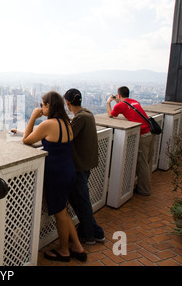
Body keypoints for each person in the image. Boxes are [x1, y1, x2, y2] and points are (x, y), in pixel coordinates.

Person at [22, 91, 87, 262]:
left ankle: (64, 251)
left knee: (60, 214)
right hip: (69, 172)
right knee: (63, 212)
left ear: (49, 106)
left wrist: (33, 118)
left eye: (42, 105)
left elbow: (26, 140)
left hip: (56, 176)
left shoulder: (48, 124)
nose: (40, 107)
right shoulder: (67, 122)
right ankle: (78, 247)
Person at [64, 88, 105, 245]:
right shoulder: (87, 113)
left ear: (68, 103)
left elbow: (67, 136)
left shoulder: (80, 118)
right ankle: (94, 232)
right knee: (81, 200)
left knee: (82, 201)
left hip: (80, 166)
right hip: (86, 164)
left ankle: (89, 235)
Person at [106, 86, 155, 196]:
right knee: (147, 161)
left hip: (143, 134)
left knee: (142, 163)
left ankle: (144, 190)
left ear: (118, 95)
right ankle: (145, 183)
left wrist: (109, 102)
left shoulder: (121, 105)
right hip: (150, 133)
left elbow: (110, 115)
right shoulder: (134, 101)